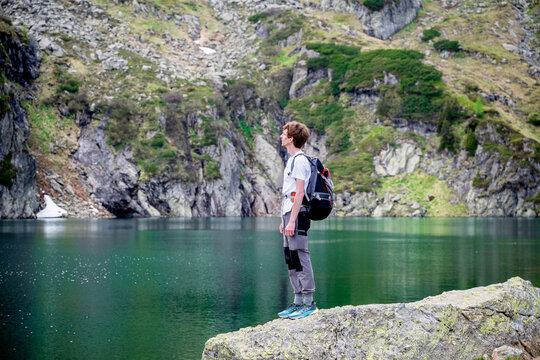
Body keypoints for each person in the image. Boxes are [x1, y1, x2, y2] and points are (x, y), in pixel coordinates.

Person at [277, 121, 318, 319]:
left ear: (292, 138)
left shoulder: (300, 160)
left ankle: (309, 303)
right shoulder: (292, 160)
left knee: (300, 256)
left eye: (284, 134)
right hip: (289, 213)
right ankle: (297, 302)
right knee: (291, 258)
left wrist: (292, 221)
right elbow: (289, 193)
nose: (281, 137)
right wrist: (284, 221)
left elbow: (299, 192)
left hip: (298, 214)